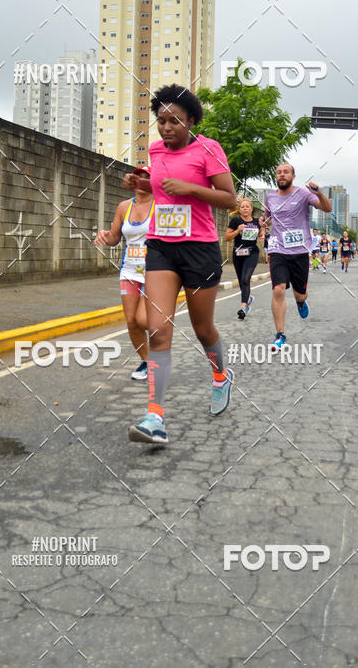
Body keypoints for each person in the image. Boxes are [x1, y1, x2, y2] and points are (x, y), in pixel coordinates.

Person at [123, 84, 237, 445]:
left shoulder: (208, 149)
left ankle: (221, 376)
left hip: (200, 250)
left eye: (174, 121)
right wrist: (142, 184)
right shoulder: (155, 151)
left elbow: (229, 199)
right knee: (158, 330)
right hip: (161, 249)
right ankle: (154, 417)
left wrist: (191, 189)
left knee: (203, 330)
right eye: (161, 121)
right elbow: (162, 190)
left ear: (191, 121)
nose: (166, 127)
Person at [264, 163, 332, 351]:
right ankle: (280, 334)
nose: (282, 175)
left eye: (286, 172)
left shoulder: (303, 194)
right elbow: (268, 217)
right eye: (278, 172)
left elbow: (327, 208)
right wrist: (264, 224)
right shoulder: (270, 197)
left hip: (300, 251)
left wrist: (319, 194)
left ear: (293, 176)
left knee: (299, 293)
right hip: (278, 249)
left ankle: (301, 301)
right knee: (278, 290)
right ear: (276, 177)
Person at [95, 171, 154, 380]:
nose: (139, 180)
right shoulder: (123, 207)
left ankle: (159, 352)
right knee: (131, 321)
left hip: (155, 272)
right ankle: (148, 362)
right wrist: (105, 235)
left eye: (145, 176)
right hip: (129, 271)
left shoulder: (161, 204)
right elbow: (114, 237)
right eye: (137, 176)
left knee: (144, 319)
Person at [225, 198, 265, 319]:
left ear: (251, 209)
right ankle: (248, 298)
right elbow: (227, 237)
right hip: (238, 253)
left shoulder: (257, 221)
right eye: (243, 207)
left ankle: (243, 307)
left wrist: (262, 236)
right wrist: (238, 230)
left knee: (245, 278)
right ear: (240, 209)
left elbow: (261, 233)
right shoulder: (236, 220)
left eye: (247, 206)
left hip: (252, 253)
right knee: (242, 281)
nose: (245, 209)